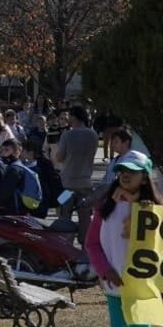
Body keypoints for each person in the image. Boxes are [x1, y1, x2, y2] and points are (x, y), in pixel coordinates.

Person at [85, 151, 163, 327]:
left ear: (144, 176)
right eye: (121, 171)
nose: (125, 175)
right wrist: (105, 270)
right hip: (114, 286)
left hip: (143, 288)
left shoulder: (157, 211)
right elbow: (92, 243)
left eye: (131, 171)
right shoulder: (105, 208)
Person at [54, 105, 98, 244]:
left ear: (74, 116)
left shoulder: (67, 135)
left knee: (64, 213)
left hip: (67, 184)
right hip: (85, 182)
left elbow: (59, 157)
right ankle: (85, 245)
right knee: (85, 216)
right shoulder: (93, 135)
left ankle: (66, 244)